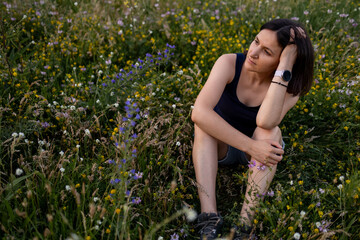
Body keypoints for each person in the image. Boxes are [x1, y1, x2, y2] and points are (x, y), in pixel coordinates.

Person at [191, 19, 314, 240]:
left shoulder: (290, 87)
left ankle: (244, 227)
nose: (253, 52)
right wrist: (250, 146)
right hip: (223, 146)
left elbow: (265, 122)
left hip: (260, 153)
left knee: (270, 133)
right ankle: (209, 216)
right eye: (256, 41)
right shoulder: (229, 63)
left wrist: (285, 64)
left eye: (266, 51)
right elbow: (198, 112)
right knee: (204, 125)